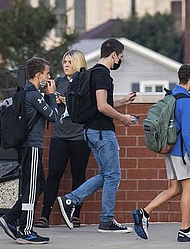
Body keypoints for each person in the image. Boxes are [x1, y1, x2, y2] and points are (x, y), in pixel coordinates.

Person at [57, 38, 138, 233]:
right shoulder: (103, 75)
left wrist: (122, 101)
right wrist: (123, 118)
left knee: (106, 174)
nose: (120, 60)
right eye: (120, 57)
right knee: (113, 175)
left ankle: (71, 200)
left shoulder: (92, 73)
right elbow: (102, 106)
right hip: (102, 132)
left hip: (90, 131)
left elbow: (99, 104)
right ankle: (105, 219)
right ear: (113, 55)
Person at [131, 64, 190, 242]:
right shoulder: (187, 102)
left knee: (175, 188)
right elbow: (188, 133)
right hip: (181, 151)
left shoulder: (173, 94)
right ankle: (185, 229)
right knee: (188, 188)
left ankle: (144, 213)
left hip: (169, 147)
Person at [0, 57, 58, 244]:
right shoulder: (33, 95)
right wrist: (52, 95)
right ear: (39, 75)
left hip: (28, 147)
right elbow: (54, 115)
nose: (48, 77)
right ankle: (25, 231)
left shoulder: (26, 92)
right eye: (47, 73)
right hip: (32, 147)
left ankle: (10, 218)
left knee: (38, 185)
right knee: (31, 189)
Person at [36, 50, 91, 228]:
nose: (66, 65)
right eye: (64, 61)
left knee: (78, 175)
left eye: (69, 61)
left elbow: (91, 105)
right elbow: (42, 99)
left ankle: (75, 215)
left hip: (79, 136)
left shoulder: (86, 81)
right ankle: (45, 215)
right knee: (54, 174)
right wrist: (53, 97)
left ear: (78, 62)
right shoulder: (58, 82)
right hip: (59, 135)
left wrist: (68, 102)